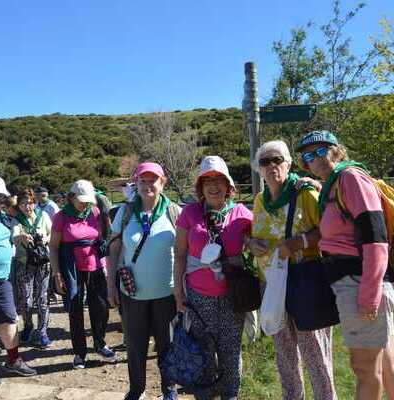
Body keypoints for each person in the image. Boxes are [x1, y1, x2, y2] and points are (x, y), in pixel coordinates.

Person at [297, 130, 394, 400]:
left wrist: (369, 295)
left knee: (363, 368)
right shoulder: (336, 183)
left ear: (337, 150)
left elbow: (375, 238)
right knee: (384, 363)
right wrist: (319, 187)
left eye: (320, 151)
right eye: (308, 156)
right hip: (358, 281)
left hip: (359, 281)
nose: (315, 159)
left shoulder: (350, 178)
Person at [250, 140, 337, 400]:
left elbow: (332, 232)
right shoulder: (259, 200)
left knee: (316, 355)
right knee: (284, 354)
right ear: (259, 169)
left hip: (305, 283)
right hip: (272, 286)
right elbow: (255, 234)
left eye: (277, 160)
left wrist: (301, 242)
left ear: (288, 163)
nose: (271, 166)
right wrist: (250, 243)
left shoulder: (305, 194)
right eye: (265, 162)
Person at [174, 156, 253, 400]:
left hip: (233, 296)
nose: (213, 185)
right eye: (207, 180)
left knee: (230, 351)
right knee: (203, 351)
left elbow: (263, 240)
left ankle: (231, 395)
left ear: (228, 185)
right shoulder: (190, 213)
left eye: (218, 179)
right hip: (198, 297)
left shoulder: (241, 213)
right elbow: (179, 255)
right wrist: (178, 294)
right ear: (200, 187)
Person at [108, 162, 181, 400]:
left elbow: (185, 253)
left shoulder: (174, 212)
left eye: (153, 180)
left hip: (167, 293)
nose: (147, 185)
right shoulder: (125, 212)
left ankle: (169, 390)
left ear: (162, 183)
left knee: (167, 346)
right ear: (136, 183)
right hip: (133, 294)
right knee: (135, 346)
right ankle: (136, 389)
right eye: (143, 180)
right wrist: (111, 286)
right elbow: (114, 250)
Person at [49, 179, 115, 369]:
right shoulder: (61, 217)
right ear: (71, 197)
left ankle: (100, 344)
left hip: (94, 265)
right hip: (71, 268)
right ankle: (79, 353)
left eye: (87, 200)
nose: (84, 203)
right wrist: (56, 273)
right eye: (81, 200)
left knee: (100, 306)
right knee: (76, 309)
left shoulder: (94, 212)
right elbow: (53, 247)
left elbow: (101, 237)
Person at [0, 177, 36, 385]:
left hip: (2, 279)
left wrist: (17, 238)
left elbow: (5, 238)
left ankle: (13, 360)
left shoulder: (0, 217)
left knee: (10, 319)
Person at [11, 188, 52, 348]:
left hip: (42, 263)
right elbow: (14, 236)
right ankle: (28, 326)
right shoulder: (17, 220)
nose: (27, 206)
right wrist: (21, 237)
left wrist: (44, 239)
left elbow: (52, 234)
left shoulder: (43, 216)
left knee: (42, 299)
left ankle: (43, 332)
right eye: (23, 204)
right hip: (25, 263)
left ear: (34, 203)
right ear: (18, 205)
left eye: (29, 203)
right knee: (26, 301)